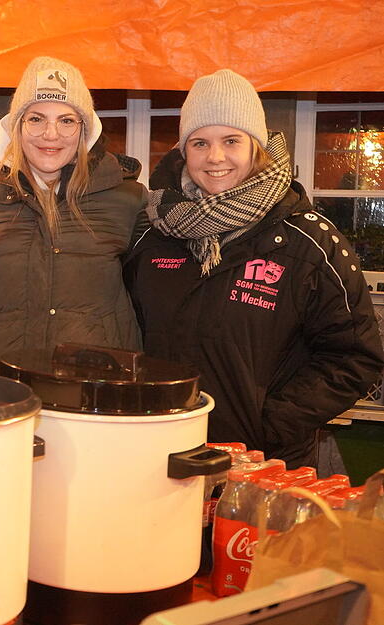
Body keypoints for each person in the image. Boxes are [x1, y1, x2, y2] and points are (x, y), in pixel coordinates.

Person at [124, 69, 384, 468]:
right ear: (183, 151)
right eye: (200, 142)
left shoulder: (309, 242)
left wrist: (270, 424)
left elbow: (354, 357)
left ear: (256, 147)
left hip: (262, 464)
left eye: (231, 140)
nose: (215, 157)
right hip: (158, 456)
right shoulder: (153, 232)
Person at [0, 56, 147, 373]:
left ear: (84, 130)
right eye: (36, 119)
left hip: (93, 387)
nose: (51, 134)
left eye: (66, 120)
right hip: (2, 384)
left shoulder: (128, 200)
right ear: (17, 127)